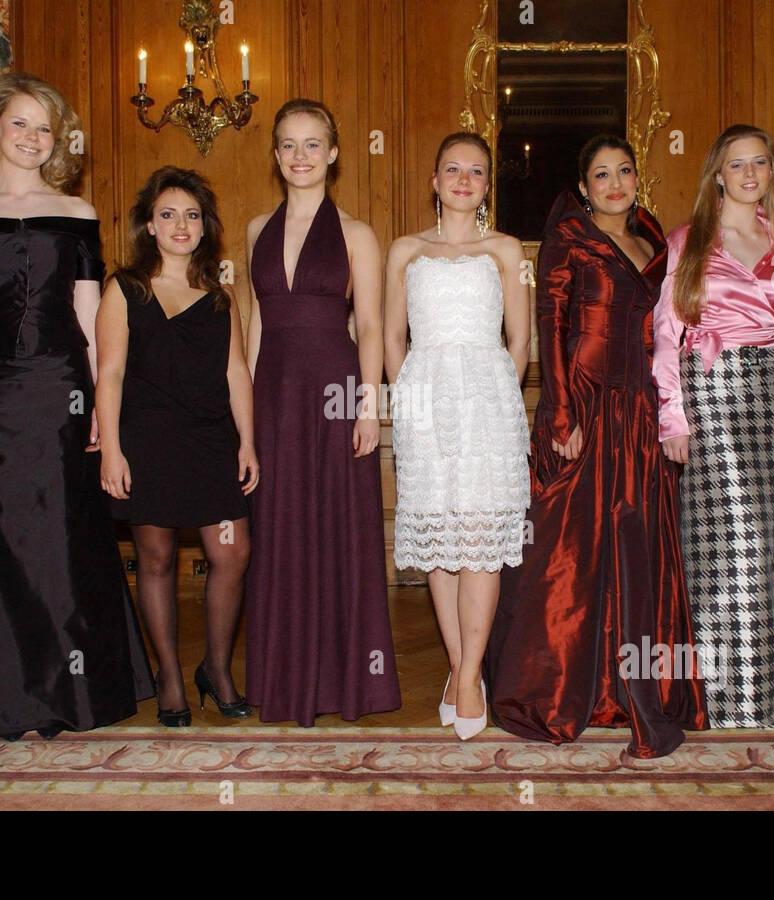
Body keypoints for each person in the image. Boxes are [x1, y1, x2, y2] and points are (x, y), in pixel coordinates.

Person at [0, 73, 153, 739]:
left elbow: (89, 313)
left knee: (60, 530)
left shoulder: (77, 214)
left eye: (43, 127)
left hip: (58, 390)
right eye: (19, 123)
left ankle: (66, 693)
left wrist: (104, 401)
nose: (31, 137)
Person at [487, 135, 709, 755]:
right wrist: (560, 412)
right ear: (583, 186)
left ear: (638, 177)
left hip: (639, 409)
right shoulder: (570, 237)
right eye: (601, 175)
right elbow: (550, 324)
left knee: (637, 548)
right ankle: (555, 689)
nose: (615, 183)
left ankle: (628, 689)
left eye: (624, 171)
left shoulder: (656, 239)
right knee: (569, 553)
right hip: (583, 402)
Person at [652, 124, 774, 729]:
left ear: (771, 171)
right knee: (729, 547)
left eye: (760, 163)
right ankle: (726, 702)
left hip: (771, 394)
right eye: (736, 164)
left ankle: (772, 696)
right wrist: (673, 413)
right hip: (712, 392)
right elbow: (667, 332)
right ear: (717, 174)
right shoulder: (687, 239)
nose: (750, 174)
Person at [244, 98, 401, 726]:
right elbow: (255, 321)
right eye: (288, 144)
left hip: (336, 388)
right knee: (277, 525)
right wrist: (246, 408)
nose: (300, 156)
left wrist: (368, 406)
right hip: (274, 392)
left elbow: (368, 324)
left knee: (338, 524)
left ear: (334, 154)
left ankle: (343, 683)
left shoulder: (358, 234)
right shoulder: (256, 229)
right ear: (276, 153)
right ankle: (284, 677)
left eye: (313, 144)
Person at [97, 167, 259, 726]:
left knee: (231, 552)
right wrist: (112, 449)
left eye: (191, 214)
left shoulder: (220, 297)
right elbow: (110, 373)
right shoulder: (124, 289)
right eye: (168, 214)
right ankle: (169, 675)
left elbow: (238, 373)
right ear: (149, 224)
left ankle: (215, 669)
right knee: (157, 559)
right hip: (146, 440)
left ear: (204, 226)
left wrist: (249, 444)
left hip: (212, 440)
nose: (180, 224)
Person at [385, 132, 530, 741]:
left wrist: (497, 395)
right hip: (424, 402)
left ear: (487, 183)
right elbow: (393, 337)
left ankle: (470, 675)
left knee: (479, 538)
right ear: (435, 180)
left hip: (487, 404)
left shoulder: (504, 249)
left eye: (476, 171)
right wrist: (408, 400)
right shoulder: (405, 250)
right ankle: (457, 666)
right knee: (440, 545)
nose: (464, 179)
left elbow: (520, 341)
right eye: (453, 169)